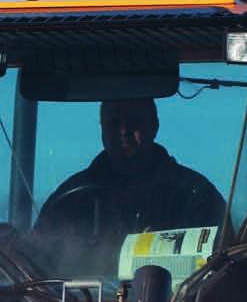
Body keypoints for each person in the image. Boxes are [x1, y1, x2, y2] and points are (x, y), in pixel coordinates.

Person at [35, 99, 226, 260]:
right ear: (102, 128)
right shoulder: (70, 200)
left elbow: (223, 265)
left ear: (154, 126)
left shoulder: (196, 196)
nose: (124, 131)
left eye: (134, 122)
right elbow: (36, 260)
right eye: (114, 123)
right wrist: (12, 245)